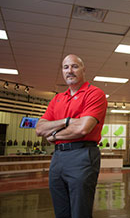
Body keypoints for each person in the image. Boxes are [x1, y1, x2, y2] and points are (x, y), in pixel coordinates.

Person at [36, 54, 107, 218]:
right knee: (61, 212)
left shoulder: (94, 94)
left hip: (82, 156)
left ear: (83, 69)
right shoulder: (58, 99)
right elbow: (40, 128)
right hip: (58, 157)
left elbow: (82, 128)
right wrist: (67, 121)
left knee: (79, 212)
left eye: (74, 66)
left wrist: (53, 135)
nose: (70, 71)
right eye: (65, 67)